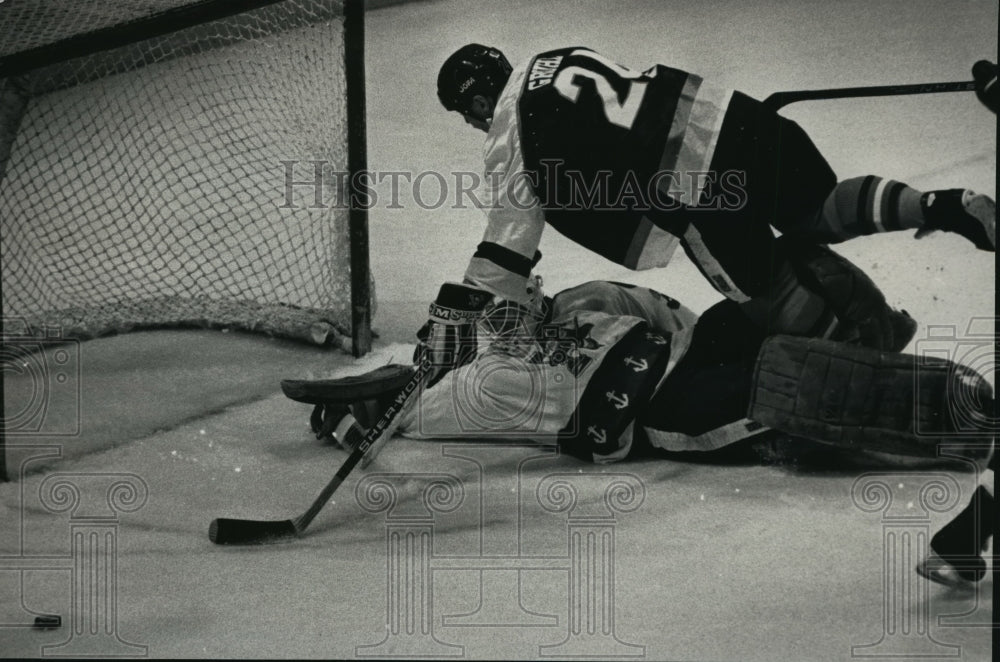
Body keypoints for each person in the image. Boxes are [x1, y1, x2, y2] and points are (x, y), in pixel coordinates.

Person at [422, 45, 995, 385]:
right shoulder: (557, 57)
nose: (472, 124)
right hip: (730, 118)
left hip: (691, 186)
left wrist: (461, 314)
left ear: (477, 101)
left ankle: (870, 356)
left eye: (464, 114)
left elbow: (508, 243)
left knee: (764, 288)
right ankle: (942, 206)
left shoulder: (508, 130)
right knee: (817, 208)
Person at [286, 277, 993, 467]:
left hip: (687, 348)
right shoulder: (478, 388)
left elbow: (658, 307)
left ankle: (868, 338)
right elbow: (408, 410)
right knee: (782, 382)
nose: (518, 303)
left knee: (773, 284)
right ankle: (957, 421)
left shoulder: (569, 303)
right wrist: (358, 415)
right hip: (662, 405)